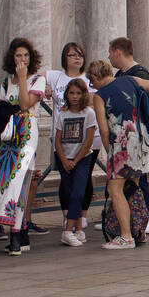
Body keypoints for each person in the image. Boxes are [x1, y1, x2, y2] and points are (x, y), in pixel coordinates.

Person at [88, 59, 149, 248]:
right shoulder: (130, 80)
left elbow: (104, 130)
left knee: (115, 189)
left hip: (121, 144)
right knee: (132, 188)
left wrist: (109, 153)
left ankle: (126, 236)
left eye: (92, 80)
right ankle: (138, 230)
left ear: (97, 77)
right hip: (142, 141)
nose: (92, 85)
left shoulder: (100, 95)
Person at [0, 38, 47, 255]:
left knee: (19, 180)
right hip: (7, 135)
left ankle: (15, 233)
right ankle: (19, 231)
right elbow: (3, 109)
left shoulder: (37, 80)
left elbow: (24, 104)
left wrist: (22, 80)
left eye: (26, 56)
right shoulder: (5, 83)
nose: (22, 59)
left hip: (26, 133)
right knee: (6, 182)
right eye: (19, 55)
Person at [44, 43, 99, 235]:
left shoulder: (88, 78)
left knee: (83, 179)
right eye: (72, 55)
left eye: (80, 55)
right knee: (65, 180)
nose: (77, 58)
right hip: (62, 137)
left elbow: (94, 99)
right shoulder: (55, 76)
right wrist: (45, 87)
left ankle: (80, 218)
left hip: (85, 139)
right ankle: (68, 216)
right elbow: (35, 77)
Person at [108, 36, 149, 234]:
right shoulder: (120, 75)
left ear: (118, 52)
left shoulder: (139, 74)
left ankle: (144, 219)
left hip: (136, 136)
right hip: (123, 136)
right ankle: (123, 219)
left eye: (110, 53)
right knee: (126, 180)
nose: (109, 57)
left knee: (137, 179)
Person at [54, 78, 98, 246]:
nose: (74, 97)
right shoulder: (62, 113)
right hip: (65, 159)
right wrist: (64, 160)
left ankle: (67, 231)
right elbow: (57, 139)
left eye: (78, 93)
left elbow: (89, 139)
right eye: (71, 93)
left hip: (82, 159)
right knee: (71, 192)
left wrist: (76, 159)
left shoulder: (88, 113)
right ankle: (78, 228)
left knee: (79, 192)